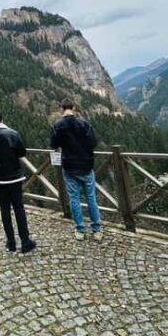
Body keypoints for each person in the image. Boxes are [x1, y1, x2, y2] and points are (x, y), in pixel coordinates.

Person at [0, 112, 36, 254]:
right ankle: (25, 242)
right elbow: (22, 152)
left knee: (4, 209)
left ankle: (10, 243)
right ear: (2, 120)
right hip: (14, 177)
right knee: (18, 207)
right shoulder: (13, 133)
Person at [49, 98, 101, 241]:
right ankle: (96, 229)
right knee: (91, 198)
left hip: (69, 167)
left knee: (74, 199)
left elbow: (53, 144)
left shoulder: (57, 125)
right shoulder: (83, 123)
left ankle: (80, 230)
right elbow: (93, 142)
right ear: (74, 108)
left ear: (61, 109)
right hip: (86, 165)